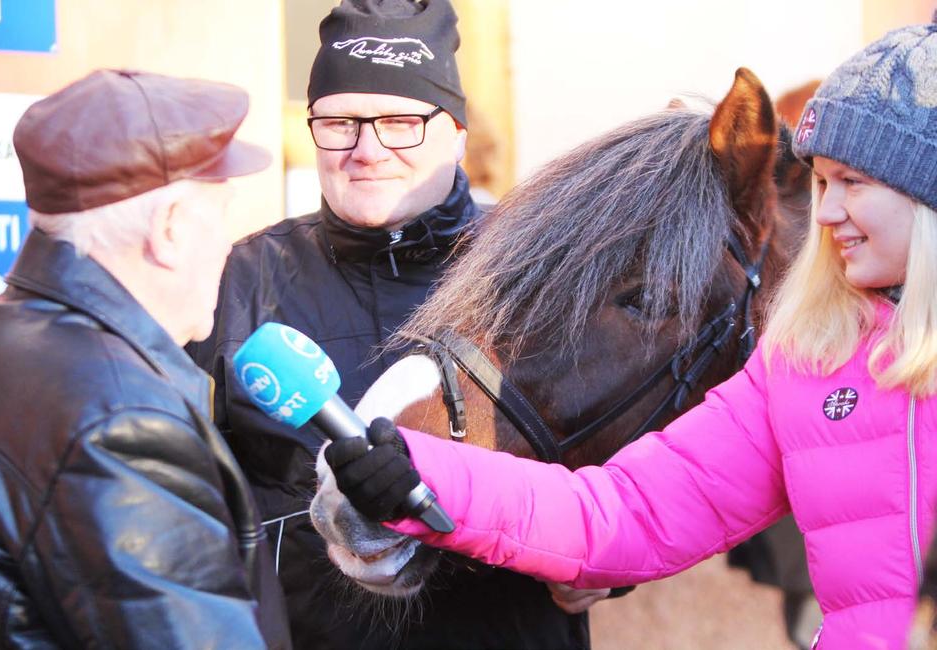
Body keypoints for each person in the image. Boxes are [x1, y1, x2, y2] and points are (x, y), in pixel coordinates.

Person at [327, 20, 937, 650]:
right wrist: (424, 475)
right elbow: (628, 514)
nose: (827, 212)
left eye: (853, 183)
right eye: (822, 182)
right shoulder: (809, 363)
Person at [188, 1, 591, 647]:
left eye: (402, 121)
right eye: (339, 123)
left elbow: (618, 477)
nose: (368, 150)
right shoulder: (238, 281)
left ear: (457, 131)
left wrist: (599, 570)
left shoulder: (539, 270)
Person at [0, 69, 290, 649]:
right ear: (168, 230)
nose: (226, 246)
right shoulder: (120, 421)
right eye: (219, 219)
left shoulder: (10, 328)